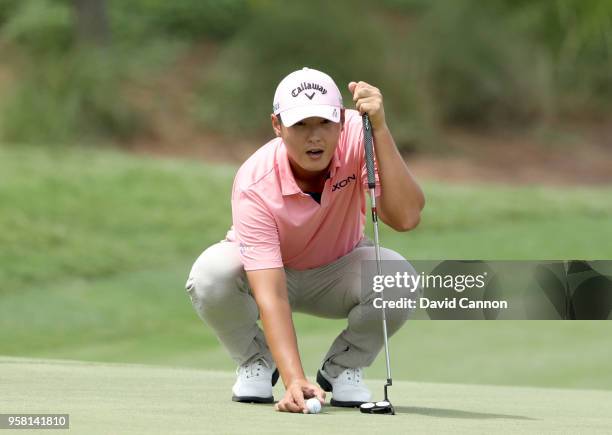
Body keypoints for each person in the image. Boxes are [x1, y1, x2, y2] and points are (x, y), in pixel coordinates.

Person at [185, 67, 425, 414]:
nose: (315, 137)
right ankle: (256, 361)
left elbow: (405, 217)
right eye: (300, 125)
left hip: (337, 270)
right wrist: (293, 379)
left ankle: (343, 368)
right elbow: (271, 293)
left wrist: (382, 130)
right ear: (277, 126)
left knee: (397, 277)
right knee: (211, 274)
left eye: (325, 123)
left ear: (342, 121)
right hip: (265, 274)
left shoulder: (361, 136)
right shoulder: (255, 181)